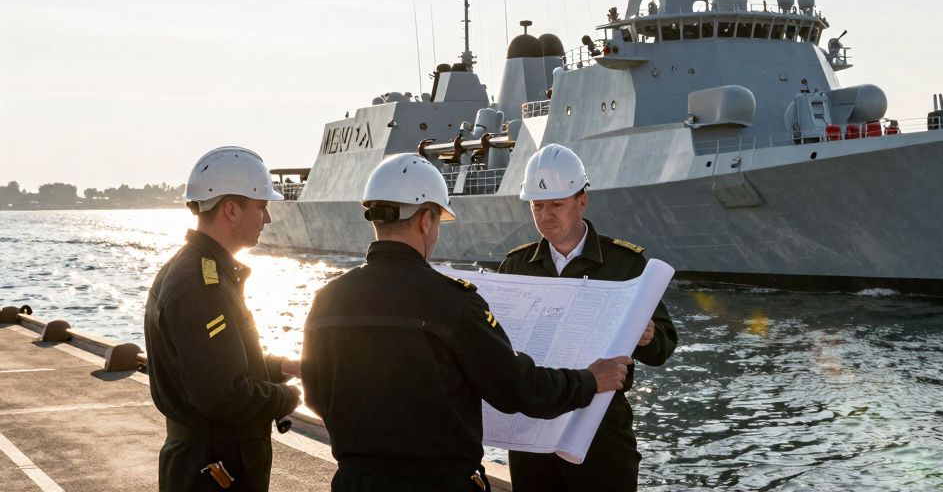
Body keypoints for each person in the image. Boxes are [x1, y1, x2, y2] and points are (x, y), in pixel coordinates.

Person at [301, 153, 633, 492]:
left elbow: (314, 395)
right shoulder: (453, 302)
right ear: (425, 220)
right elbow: (518, 388)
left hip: (355, 482)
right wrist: (589, 380)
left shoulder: (326, 299)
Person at [498, 144, 678, 492]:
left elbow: (663, 349)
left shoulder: (625, 264)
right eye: (537, 206)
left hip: (602, 433)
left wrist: (648, 336)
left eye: (556, 204)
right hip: (532, 436)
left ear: (582, 201)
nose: (545, 215)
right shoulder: (515, 266)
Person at [144, 146, 301, 492]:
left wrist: (281, 367)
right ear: (231, 209)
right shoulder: (201, 285)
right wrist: (286, 397)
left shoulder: (198, 271)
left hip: (208, 464)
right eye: (261, 207)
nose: (267, 218)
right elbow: (223, 395)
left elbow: (213, 364)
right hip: (213, 469)